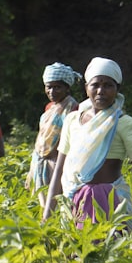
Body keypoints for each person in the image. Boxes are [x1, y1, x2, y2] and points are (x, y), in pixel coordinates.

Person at [43, 58, 132, 228]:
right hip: (75, 201)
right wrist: (47, 216)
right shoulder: (72, 120)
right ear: (86, 87)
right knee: (77, 252)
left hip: (110, 200)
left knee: (114, 248)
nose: (101, 91)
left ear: (117, 89)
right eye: (95, 85)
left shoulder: (124, 123)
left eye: (108, 85)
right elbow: (60, 170)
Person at [27, 62, 81, 194]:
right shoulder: (49, 108)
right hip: (41, 162)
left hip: (59, 163)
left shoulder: (74, 108)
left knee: (58, 202)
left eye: (57, 87)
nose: (52, 91)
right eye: (49, 87)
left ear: (67, 88)